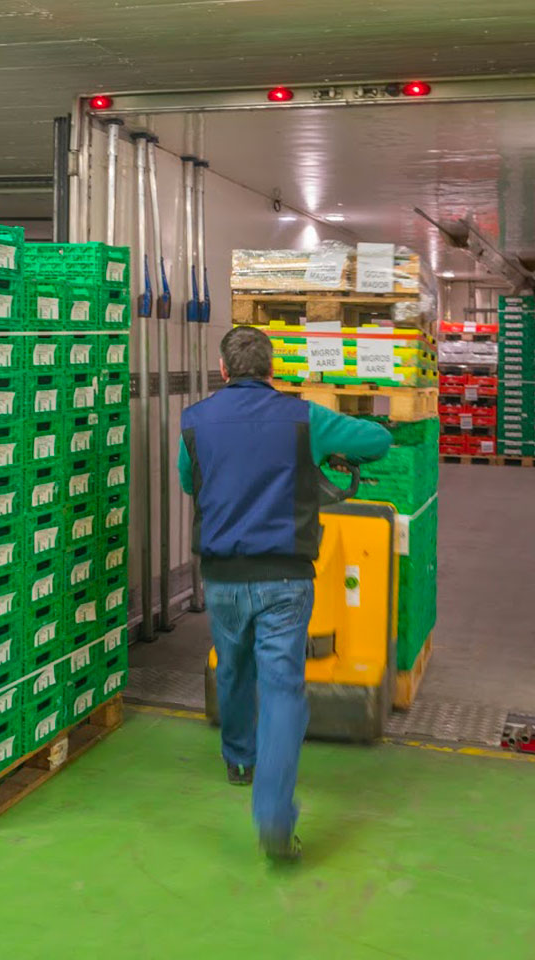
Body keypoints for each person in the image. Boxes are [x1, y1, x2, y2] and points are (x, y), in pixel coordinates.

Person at [177, 326, 391, 862]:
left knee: (232, 666)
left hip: (222, 575)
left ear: (222, 370)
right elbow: (378, 442)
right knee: (282, 691)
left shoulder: (194, 421)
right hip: (285, 578)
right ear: (272, 369)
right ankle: (272, 815)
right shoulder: (305, 418)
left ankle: (239, 758)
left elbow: (190, 482)